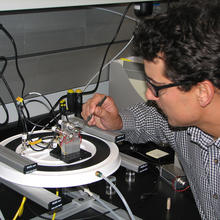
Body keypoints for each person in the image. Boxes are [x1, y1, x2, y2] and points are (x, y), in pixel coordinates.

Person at [81, 0, 220, 219]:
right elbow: (156, 120)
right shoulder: (185, 125)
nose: (148, 95)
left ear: (203, 92)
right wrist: (118, 121)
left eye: (156, 87)